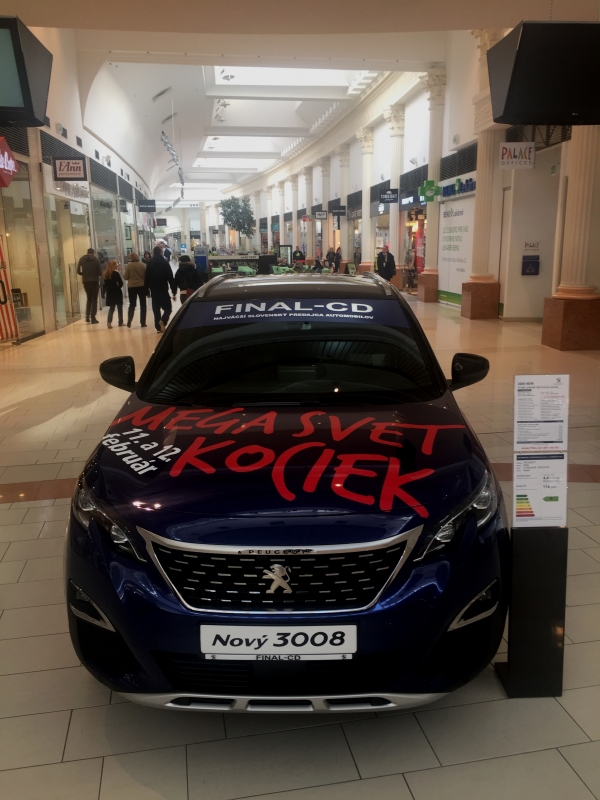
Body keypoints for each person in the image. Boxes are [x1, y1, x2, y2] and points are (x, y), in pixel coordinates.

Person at [144, 246, 177, 333]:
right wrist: (174, 291)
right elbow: (170, 277)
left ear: (153, 253)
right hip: (163, 289)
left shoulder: (150, 263)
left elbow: (146, 278)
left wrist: (146, 291)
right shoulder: (164, 262)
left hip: (154, 290)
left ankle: (158, 327)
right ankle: (163, 320)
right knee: (168, 308)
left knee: (156, 309)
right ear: (161, 252)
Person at [77, 248, 103, 324]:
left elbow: (78, 271)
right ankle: (93, 318)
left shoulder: (82, 259)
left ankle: (87, 316)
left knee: (89, 298)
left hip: (86, 281)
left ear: (87, 252)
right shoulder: (96, 260)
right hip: (94, 281)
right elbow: (99, 273)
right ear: (93, 253)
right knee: (94, 299)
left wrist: (84, 274)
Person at [123, 253, 147, 328]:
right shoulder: (142, 265)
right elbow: (145, 275)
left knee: (132, 304)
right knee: (143, 304)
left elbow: (125, 277)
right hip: (141, 286)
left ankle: (129, 319)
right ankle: (143, 322)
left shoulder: (129, 266)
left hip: (131, 287)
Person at [104, 260, 124, 328]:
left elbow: (106, 285)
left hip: (110, 293)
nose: (117, 265)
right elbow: (121, 283)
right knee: (119, 308)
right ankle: (120, 322)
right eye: (115, 264)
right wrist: (118, 286)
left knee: (112, 308)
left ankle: (109, 322)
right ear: (113, 265)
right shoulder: (116, 273)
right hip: (117, 292)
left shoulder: (106, 274)